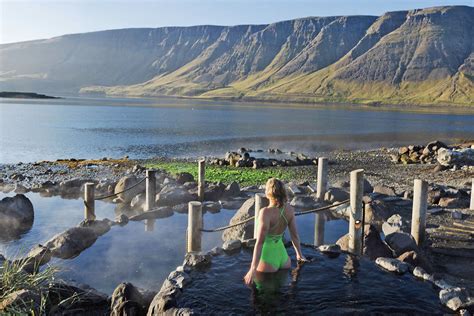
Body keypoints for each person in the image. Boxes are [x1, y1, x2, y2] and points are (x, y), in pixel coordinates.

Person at [244, 178, 307, 286]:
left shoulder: (265, 213)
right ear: (283, 192)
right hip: (284, 258)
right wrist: (299, 254)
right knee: (280, 290)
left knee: (265, 296)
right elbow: (294, 236)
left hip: (268, 258)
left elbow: (259, 243)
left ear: (268, 193)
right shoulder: (290, 210)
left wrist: (252, 269)